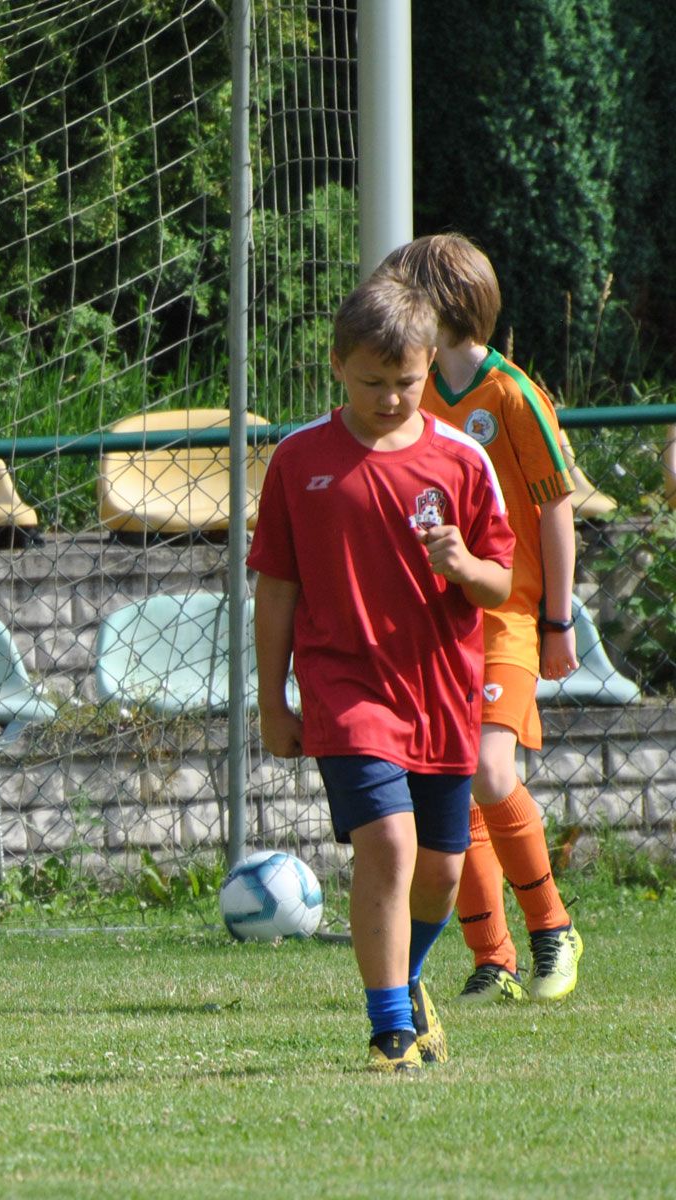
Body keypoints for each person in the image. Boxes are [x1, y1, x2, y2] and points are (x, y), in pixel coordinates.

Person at [250, 274, 515, 1073]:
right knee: (391, 848)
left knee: (441, 871)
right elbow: (277, 589)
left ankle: (407, 980)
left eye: (406, 382)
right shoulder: (300, 461)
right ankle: (390, 1031)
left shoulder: (461, 460)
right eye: (373, 383)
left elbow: (503, 584)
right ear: (337, 367)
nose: (392, 398)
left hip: (439, 691)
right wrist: (273, 699)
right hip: (346, 689)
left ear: (428, 364)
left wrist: (465, 564)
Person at [380, 233, 585, 1003]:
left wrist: (558, 621)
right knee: (449, 780)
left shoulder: (512, 396)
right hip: (439, 622)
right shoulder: (415, 391)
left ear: (442, 308)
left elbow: (556, 509)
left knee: (489, 769)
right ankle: (491, 955)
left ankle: (552, 928)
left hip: (509, 613)